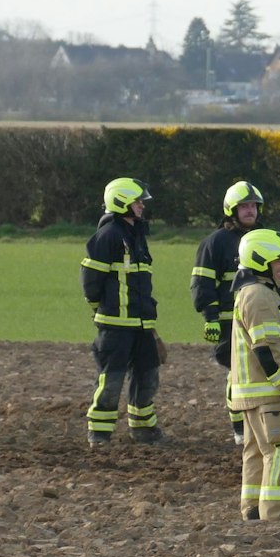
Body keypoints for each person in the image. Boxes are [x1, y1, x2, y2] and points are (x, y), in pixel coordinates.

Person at [227, 228, 280, 521]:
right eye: (279, 261)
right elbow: (267, 351)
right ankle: (277, 512)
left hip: (253, 394)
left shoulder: (258, 292)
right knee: (279, 451)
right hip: (269, 394)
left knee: (256, 454)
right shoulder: (259, 296)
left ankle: (253, 510)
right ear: (261, 262)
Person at [80, 177, 161, 445]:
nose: (141, 206)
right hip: (115, 326)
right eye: (137, 201)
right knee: (111, 381)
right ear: (121, 201)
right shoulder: (107, 236)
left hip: (141, 324)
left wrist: (150, 321)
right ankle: (99, 433)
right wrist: (99, 311)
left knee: (148, 376)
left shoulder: (136, 234)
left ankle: (144, 430)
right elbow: (91, 283)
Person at [193, 181, 266, 445]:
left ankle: (260, 423)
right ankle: (239, 429)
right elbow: (202, 284)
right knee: (237, 373)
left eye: (253, 206)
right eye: (244, 206)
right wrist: (210, 317)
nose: (250, 211)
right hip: (229, 322)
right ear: (231, 211)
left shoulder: (266, 238)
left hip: (263, 319)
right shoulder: (214, 243)